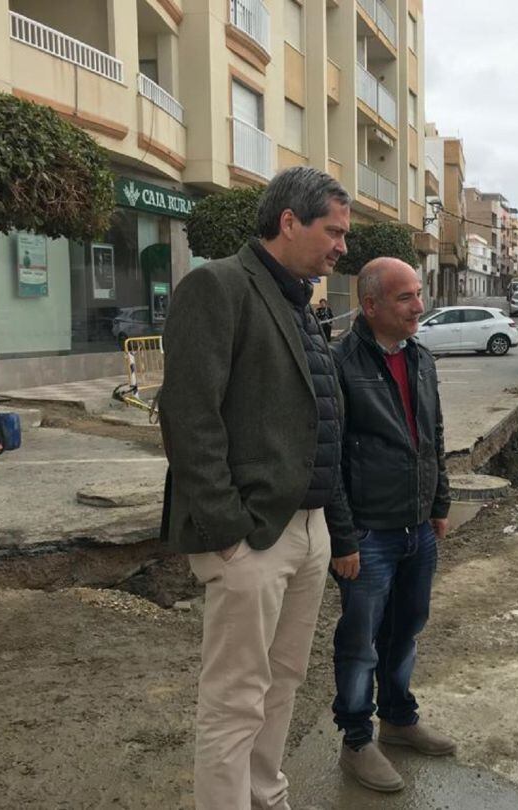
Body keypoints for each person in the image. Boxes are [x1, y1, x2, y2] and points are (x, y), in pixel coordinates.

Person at [158, 166, 356, 810]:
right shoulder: (216, 287)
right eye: (333, 231)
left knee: (284, 682)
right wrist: (227, 533)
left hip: (308, 528)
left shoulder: (301, 301)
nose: (342, 247)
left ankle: (265, 795)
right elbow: (189, 416)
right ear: (289, 222)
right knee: (235, 696)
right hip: (252, 535)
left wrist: (325, 526)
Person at [326, 258, 454, 793]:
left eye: (419, 294)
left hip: (417, 528)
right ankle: (357, 738)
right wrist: (344, 536)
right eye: (406, 297)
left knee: (407, 629)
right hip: (369, 535)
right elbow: (328, 457)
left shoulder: (421, 358)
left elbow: (434, 435)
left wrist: (440, 501)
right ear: (372, 304)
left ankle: (398, 718)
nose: (419, 306)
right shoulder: (340, 363)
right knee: (361, 643)